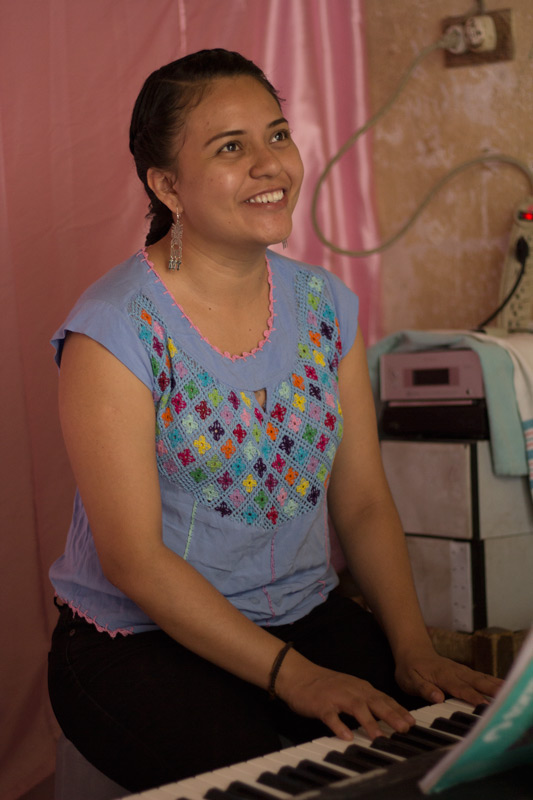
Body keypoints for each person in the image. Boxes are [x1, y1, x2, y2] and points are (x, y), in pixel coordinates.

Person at [47, 48, 501, 794]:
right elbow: (133, 560)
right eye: (231, 148)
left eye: (277, 135)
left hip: (304, 614)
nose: (270, 164)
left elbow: (358, 501)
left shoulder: (325, 305)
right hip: (138, 641)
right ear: (167, 185)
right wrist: (296, 679)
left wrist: (412, 649)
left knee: (449, 762)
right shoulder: (114, 329)